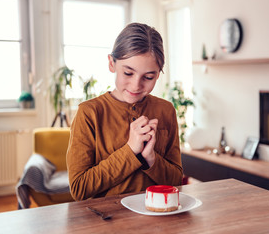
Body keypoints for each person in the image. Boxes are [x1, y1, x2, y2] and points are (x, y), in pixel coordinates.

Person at [66, 23, 183, 201]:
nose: (136, 85)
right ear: (111, 63)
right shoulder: (89, 113)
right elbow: (79, 189)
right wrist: (130, 150)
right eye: (128, 73)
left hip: (158, 220)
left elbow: (176, 182)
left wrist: (151, 158)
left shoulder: (166, 110)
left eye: (149, 77)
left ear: (158, 74)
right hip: (107, 222)